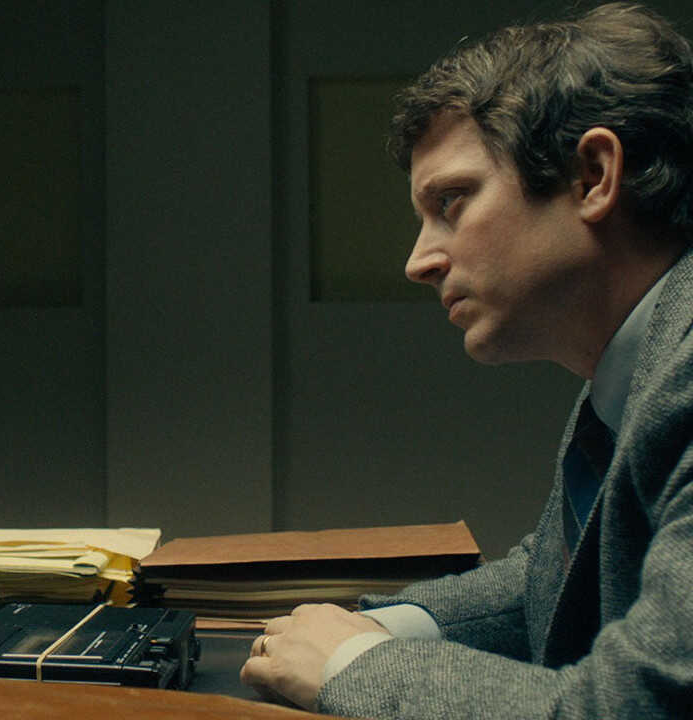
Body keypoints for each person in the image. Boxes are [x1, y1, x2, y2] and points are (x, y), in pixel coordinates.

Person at [240, 3, 693, 717]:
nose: (418, 261)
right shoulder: (640, 364)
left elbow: (640, 707)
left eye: (451, 202)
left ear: (592, 176)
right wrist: (365, 631)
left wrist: (354, 666)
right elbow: (552, 578)